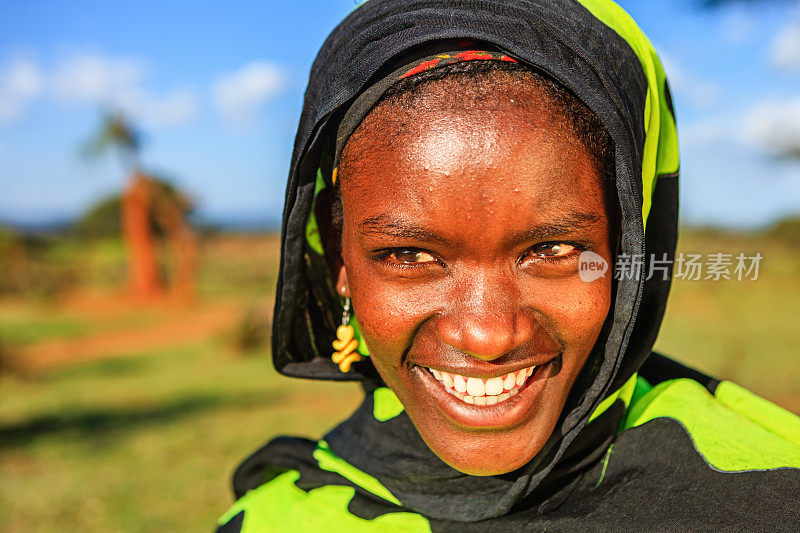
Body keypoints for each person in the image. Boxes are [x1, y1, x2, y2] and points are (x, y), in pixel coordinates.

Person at [216, 0, 800, 531]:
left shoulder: (767, 502)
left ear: (628, 245)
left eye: (553, 250)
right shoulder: (273, 518)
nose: (488, 336)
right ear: (335, 248)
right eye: (408, 255)